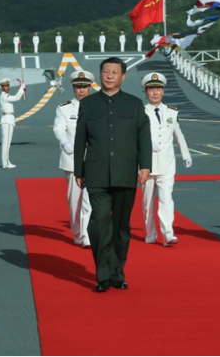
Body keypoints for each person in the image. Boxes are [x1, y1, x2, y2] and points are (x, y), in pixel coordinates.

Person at [74, 57, 151, 293]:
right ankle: (103, 274)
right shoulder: (88, 104)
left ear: (123, 76)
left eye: (114, 72)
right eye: (106, 71)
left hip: (126, 174)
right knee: (98, 225)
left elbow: (143, 138)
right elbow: (80, 140)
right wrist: (79, 170)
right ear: (100, 75)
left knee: (120, 228)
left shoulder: (135, 104)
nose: (109, 76)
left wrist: (145, 166)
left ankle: (118, 272)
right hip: (96, 174)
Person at [140, 73, 191, 247]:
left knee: (166, 199)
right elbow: (133, 135)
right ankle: (150, 233)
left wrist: (186, 154)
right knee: (147, 203)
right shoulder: (140, 112)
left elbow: (178, 135)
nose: (155, 92)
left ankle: (168, 233)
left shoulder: (172, 112)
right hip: (146, 165)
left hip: (167, 164)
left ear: (163, 91)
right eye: (151, 89)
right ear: (145, 92)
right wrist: (146, 143)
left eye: (158, 89)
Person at [53, 71, 95, 249]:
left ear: (90, 87)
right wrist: (64, 143)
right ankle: (77, 232)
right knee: (74, 200)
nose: (82, 90)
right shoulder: (64, 107)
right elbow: (58, 128)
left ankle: (86, 234)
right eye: (78, 87)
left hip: (94, 159)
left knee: (89, 198)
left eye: (85, 86)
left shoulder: (98, 106)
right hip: (72, 160)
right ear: (73, 87)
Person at [0, 78, 26, 169]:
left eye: (8, 86)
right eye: (5, 86)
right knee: (6, 143)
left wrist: (21, 88)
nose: (7, 87)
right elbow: (17, 98)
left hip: (7, 119)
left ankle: (6, 162)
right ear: (2, 87)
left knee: (6, 143)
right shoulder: (5, 96)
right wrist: (21, 88)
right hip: (7, 120)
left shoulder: (5, 96)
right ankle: (5, 163)